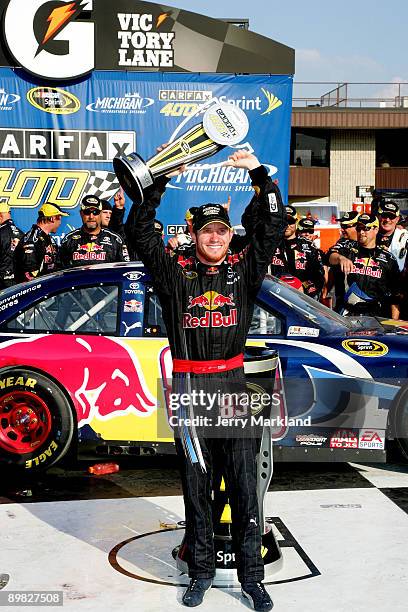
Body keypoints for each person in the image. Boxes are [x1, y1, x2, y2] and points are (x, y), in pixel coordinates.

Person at [125, 149, 285, 610]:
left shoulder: (244, 271)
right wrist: (157, 182)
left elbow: (272, 225)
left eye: (221, 231)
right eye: (206, 231)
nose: (214, 237)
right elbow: (138, 231)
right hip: (190, 394)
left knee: (241, 487)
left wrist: (257, 171)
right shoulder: (174, 275)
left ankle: (252, 580)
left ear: (228, 236)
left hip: (234, 391)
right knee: (196, 489)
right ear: (193, 233)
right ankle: (200, 573)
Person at [328, 213, 400, 318]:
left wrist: (394, 323)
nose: (361, 232)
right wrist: (340, 258)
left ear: (376, 229)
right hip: (347, 314)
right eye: (358, 228)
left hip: (376, 316)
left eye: (366, 228)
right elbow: (329, 257)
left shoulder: (388, 258)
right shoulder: (347, 249)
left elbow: (395, 296)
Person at [59, 195, 130, 268]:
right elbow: (59, 273)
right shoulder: (69, 240)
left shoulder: (115, 240)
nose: (91, 216)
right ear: (81, 214)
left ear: (100, 214)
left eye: (95, 212)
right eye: (87, 212)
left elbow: (124, 269)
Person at [270, 206, 325, 299]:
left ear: (296, 222)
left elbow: (319, 275)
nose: (286, 225)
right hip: (274, 296)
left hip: (301, 299)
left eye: (290, 221)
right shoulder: (269, 244)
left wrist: (303, 288)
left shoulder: (308, 246)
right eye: (283, 220)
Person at [14, 202, 68, 282]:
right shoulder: (32, 239)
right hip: (35, 291)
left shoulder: (48, 238)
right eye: (59, 218)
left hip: (47, 288)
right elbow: (30, 274)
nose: (60, 223)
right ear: (52, 218)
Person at [324, 211, 359, 311]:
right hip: (343, 302)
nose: (342, 229)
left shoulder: (372, 244)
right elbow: (329, 256)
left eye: (346, 226)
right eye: (341, 226)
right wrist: (340, 258)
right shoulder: (343, 242)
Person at [376, 201, 408, 271]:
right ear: (378, 216)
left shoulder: (404, 236)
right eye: (384, 216)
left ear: (397, 219)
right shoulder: (368, 233)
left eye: (391, 217)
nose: (387, 220)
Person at [0, 201, 23, 289]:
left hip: (2, 283)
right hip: (18, 283)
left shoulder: (1, 232)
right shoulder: (22, 233)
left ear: (0, 215)